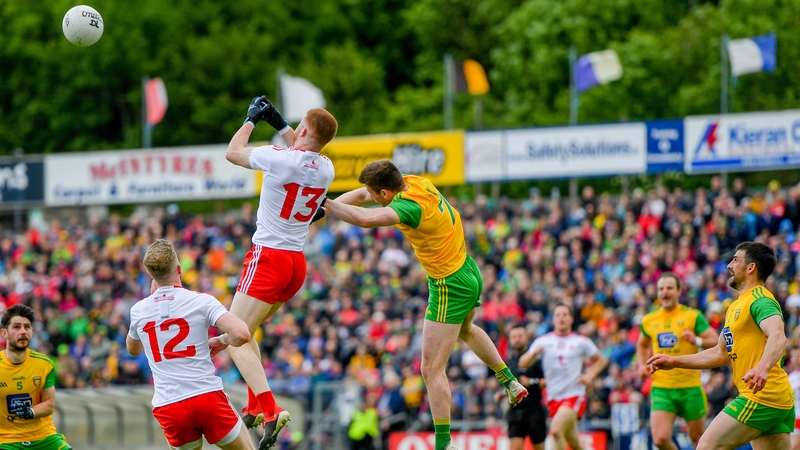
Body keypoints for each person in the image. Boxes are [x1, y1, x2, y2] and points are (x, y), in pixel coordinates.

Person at [323, 160, 528, 450]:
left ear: (385, 191)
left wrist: (328, 204)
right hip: (468, 269)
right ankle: (509, 381)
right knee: (467, 330)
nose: (370, 195)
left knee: (431, 368)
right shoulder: (414, 182)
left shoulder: (408, 209)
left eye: (375, 192)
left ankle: (444, 443)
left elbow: (366, 219)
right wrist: (324, 207)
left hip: (448, 284)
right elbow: (362, 197)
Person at [221, 96, 338, 449]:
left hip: (268, 257)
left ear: (303, 129)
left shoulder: (278, 159)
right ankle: (256, 406)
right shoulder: (327, 167)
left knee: (233, 338)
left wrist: (252, 120)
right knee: (249, 330)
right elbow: (302, 151)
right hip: (295, 263)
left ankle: (270, 410)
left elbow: (233, 152)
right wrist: (283, 124)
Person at [648, 241, 795, 450]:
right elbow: (719, 354)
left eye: (735, 260)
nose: (729, 265)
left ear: (751, 267)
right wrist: (674, 361)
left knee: (706, 447)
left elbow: (778, 337)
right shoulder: (736, 305)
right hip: (775, 399)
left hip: (762, 396)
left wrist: (762, 368)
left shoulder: (761, 300)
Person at [127, 239, 254, 450]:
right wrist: (222, 341)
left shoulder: (139, 310)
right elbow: (241, 334)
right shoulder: (201, 301)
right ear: (179, 269)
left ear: (151, 276)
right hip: (205, 396)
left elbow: (133, 349)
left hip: (169, 404)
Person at [636, 272, 718, 449]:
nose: (665, 292)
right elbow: (642, 345)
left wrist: (696, 340)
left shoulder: (693, 316)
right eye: (661, 289)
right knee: (660, 439)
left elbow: (716, 341)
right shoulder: (649, 319)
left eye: (669, 288)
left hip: (690, 387)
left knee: (698, 440)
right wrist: (642, 365)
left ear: (679, 291)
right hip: (662, 388)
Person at [519, 303, 608, 450]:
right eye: (558, 315)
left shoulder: (580, 341)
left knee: (555, 430)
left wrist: (590, 376)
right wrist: (534, 353)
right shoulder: (544, 341)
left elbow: (601, 360)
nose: (561, 318)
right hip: (553, 398)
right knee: (573, 442)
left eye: (565, 314)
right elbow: (522, 363)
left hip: (574, 395)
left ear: (571, 319)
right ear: (553, 319)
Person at [0, 304, 72, 450]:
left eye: (27, 327)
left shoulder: (44, 363)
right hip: (7, 440)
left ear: (32, 331)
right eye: (16, 327)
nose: (23, 331)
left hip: (44, 438)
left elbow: (49, 404)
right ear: (4, 333)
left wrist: (30, 412)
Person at [494, 327, 547, 450]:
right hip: (515, 411)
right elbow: (511, 385)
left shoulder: (536, 358)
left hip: (534, 410)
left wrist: (532, 382)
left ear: (526, 338)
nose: (517, 339)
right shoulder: (508, 362)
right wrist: (502, 394)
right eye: (514, 337)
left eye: (520, 336)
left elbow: (548, 381)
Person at [786, 347, 800, 450]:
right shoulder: (790, 377)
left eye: (798, 355)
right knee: (794, 447)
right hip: (796, 417)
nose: (796, 358)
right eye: (794, 356)